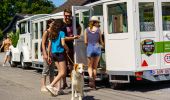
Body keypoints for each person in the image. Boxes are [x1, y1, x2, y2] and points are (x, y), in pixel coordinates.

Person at [46, 19, 69, 96]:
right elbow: (63, 44)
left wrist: (49, 55)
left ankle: (58, 89)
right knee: (63, 72)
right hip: (60, 54)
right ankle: (51, 85)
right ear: (61, 26)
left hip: (53, 54)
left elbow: (49, 46)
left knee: (59, 72)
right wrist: (67, 48)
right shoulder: (61, 33)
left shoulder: (51, 33)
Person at [62, 8, 81, 89]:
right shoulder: (62, 24)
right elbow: (63, 38)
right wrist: (73, 37)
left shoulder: (74, 22)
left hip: (73, 46)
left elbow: (79, 28)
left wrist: (78, 35)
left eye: (69, 16)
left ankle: (73, 82)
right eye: (66, 16)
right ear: (64, 15)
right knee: (64, 66)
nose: (67, 17)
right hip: (63, 47)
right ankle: (64, 83)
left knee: (73, 65)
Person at [84, 16, 104, 89]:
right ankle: (94, 83)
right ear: (95, 22)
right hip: (97, 47)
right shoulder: (99, 30)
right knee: (95, 67)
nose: (98, 24)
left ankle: (90, 77)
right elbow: (101, 41)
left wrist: (88, 46)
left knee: (89, 66)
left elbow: (85, 42)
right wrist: (103, 45)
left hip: (89, 47)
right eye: (98, 22)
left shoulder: (86, 30)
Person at [40, 19, 55, 92]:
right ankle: (43, 86)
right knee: (45, 70)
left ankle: (51, 85)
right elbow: (43, 43)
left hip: (52, 53)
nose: (53, 24)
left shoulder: (54, 32)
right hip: (46, 52)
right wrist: (45, 54)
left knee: (52, 71)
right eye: (52, 23)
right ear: (49, 24)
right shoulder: (46, 32)